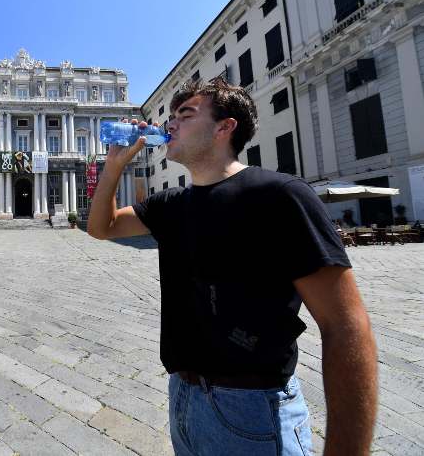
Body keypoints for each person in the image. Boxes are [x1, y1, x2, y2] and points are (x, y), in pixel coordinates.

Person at [87, 78, 377, 456]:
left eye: (185, 115)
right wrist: (113, 168)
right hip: (183, 398)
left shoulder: (280, 196)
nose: (169, 124)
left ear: (225, 128)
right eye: (170, 116)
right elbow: (101, 227)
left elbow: (346, 327)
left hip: (253, 410)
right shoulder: (170, 204)